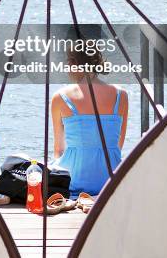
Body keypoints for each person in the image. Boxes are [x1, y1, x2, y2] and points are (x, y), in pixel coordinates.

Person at [51, 46, 128, 198]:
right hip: (109, 181)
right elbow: (118, 146)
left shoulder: (60, 97)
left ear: (73, 64)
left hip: (74, 182)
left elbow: (59, 149)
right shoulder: (121, 95)